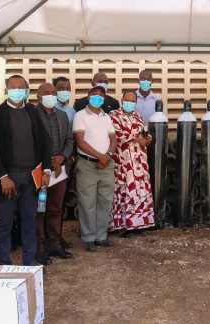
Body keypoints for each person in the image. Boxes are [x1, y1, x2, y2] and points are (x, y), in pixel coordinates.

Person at [0, 75, 51, 266]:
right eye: (13, 87)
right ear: (6, 90)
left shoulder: (32, 111)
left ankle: (29, 262)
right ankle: (4, 262)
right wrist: (3, 176)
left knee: (29, 220)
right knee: (5, 222)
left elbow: (44, 142)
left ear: (27, 90)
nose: (17, 90)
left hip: (31, 176)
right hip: (7, 177)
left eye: (21, 87)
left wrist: (46, 171)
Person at [34, 83, 74, 265]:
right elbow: (29, 143)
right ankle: (40, 246)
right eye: (46, 93)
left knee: (56, 208)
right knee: (40, 209)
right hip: (40, 171)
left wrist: (61, 157)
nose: (51, 96)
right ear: (38, 96)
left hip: (59, 171)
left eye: (53, 93)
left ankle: (54, 243)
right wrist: (49, 162)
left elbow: (70, 141)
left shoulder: (63, 115)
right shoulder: (31, 115)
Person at [73, 85, 117, 252]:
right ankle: (89, 237)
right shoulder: (80, 115)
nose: (97, 97)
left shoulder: (107, 117)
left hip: (106, 164)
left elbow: (113, 138)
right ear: (88, 96)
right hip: (87, 164)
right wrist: (101, 157)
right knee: (87, 202)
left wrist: (108, 156)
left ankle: (101, 236)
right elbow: (80, 141)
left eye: (101, 95)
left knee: (105, 201)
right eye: (94, 94)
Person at [109, 91, 155, 236]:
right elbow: (117, 135)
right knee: (123, 191)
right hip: (123, 161)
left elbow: (143, 132)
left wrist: (147, 139)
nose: (130, 103)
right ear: (122, 100)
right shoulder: (114, 115)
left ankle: (137, 224)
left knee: (138, 191)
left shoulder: (137, 116)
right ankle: (122, 226)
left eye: (133, 101)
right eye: (127, 100)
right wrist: (136, 139)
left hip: (139, 161)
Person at [53, 76, 76, 250]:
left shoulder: (71, 112)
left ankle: (57, 236)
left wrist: (68, 156)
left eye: (67, 88)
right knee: (44, 203)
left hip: (64, 161)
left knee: (59, 202)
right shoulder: (46, 108)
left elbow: (72, 138)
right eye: (61, 88)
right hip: (47, 163)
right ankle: (43, 238)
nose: (64, 91)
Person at [134, 69, 161, 199]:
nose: (145, 81)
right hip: (134, 140)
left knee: (149, 169)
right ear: (138, 80)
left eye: (147, 79)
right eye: (142, 78)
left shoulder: (157, 99)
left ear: (152, 81)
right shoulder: (132, 97)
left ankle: (148, 197)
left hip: (150, 140)